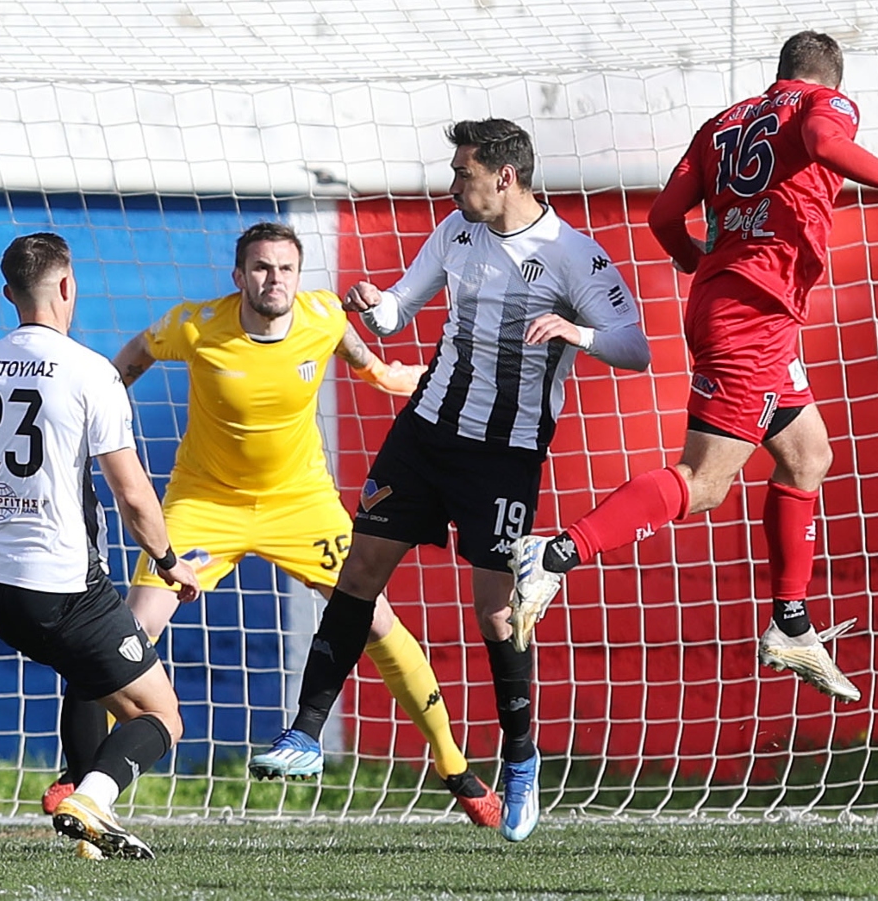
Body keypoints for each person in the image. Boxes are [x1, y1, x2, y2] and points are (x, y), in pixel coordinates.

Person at [506, 30, 878, 702]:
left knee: (808, 456)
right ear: (831, 81)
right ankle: (554, 553)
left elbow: (665, 215)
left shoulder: (721, 124)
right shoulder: (824, 105)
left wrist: (700, 261)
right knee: (703, 484)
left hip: (733, 307)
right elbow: (823, 140)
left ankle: (791, 622)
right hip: (754, 318)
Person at [247, 118, 651, 844]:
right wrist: (377, 305)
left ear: (504, 176)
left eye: (463, 173)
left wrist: (578, 333)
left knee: (496, 614)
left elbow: (635, 346)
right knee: (358, 571)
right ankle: (304, 732)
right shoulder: (457, 230)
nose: (453, 185)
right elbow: (400, 310)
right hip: (425, 434)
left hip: (504, 455)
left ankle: (521, 761)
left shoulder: (572, 256)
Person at [42, 221, 502, 829]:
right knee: (129, 632)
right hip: (205, 505)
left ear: (298, 275)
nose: (274, 279)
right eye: (261, 267)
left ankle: (454, 768)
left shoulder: (325, 318)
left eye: (285, 268)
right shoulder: (195, 325)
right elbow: (131, 359)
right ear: (240, 276)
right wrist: (90, 412)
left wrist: (428, 377)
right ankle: (83, 773)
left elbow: (375, 368)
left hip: (301, 505)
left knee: (377, 621)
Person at [0, 232, 202, 860]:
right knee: (161, 715)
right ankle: (91, 797)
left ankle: (85, 820)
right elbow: (132, 494)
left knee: (90, 679)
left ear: (8, 294)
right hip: (64, 587)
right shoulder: (90, 372)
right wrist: (170, 563)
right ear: (68, 286)